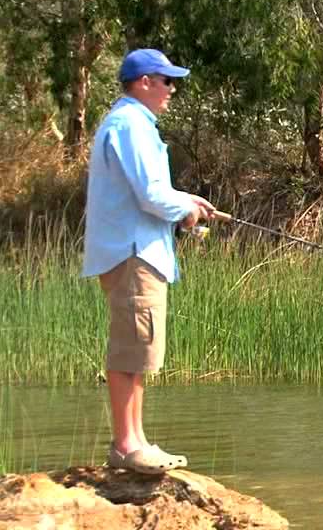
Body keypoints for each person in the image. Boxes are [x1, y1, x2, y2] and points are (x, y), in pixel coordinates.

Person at [81, 48, 216, 474]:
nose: (172, 90)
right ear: (144, 82)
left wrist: (187, 201)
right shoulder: (131, 125)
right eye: (167, 81)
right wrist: (184, 209)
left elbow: (153, 192)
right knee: (130, 349)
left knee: (139, 350)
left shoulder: (130, 124)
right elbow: (152, 195)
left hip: (135, 251)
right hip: (133, 253)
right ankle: (126, 445)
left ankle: (136, 441)